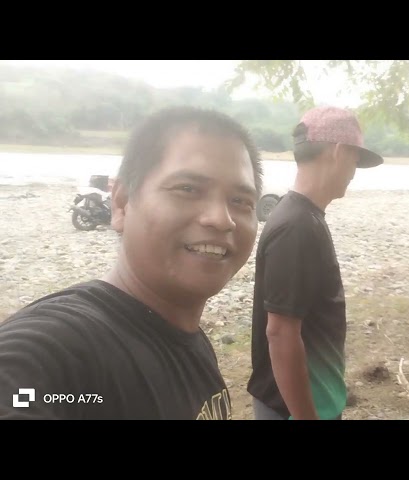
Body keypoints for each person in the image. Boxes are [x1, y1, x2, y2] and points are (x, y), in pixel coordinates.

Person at [0, 106, 263, 420]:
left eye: (241, 201)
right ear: (122, 203)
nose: (223, 219)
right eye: (188, 189)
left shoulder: (187, 339)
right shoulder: (62, 347)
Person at [247, 105, 384, 420]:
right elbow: (280, 332)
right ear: (337, 153)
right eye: (354, 160)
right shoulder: (297, 227)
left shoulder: (303, 217)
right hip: (292, 410)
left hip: (311, 402)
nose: (353, 173)